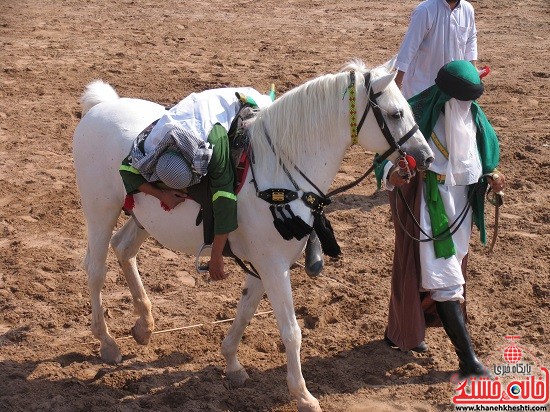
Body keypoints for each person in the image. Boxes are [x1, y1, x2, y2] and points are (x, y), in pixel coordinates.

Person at [376, 61, 505, 377]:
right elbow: (382, 159)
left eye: (471, 101)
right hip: (430, 203)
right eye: (462, 100)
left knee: (433, 271)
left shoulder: (473, 116)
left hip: (460, 208)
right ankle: (468, 362)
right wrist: (393, 173)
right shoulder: (417, 112)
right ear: (446, 95)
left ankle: (401, 330)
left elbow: (483, 157)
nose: (467, 107)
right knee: (446, 279)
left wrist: (491, 176)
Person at [119, 87, 325, 281]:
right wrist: (160, 194)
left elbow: (225, 198)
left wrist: (216, 256)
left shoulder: (214, 147)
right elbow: (126, 169)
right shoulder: (153, 141)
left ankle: (315, 226)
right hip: (196, 111)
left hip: (239, 104)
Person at [394, 0, 478, 100]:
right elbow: (409, 46)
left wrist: (473, 71)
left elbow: (470, 40)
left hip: (453, 85)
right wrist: (397, 82)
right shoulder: (425, 10)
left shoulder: (468, 10)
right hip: (422, 86)